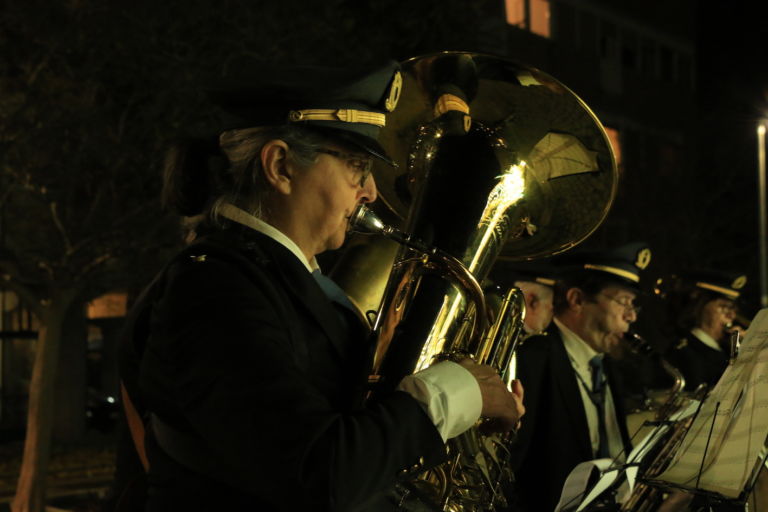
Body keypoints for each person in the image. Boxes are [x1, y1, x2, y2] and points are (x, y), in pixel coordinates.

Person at [117, 61, 524, 512]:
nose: (370, 191)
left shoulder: (279, 278)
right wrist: (456, 391)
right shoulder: (213, 288)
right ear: (281, 166)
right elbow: (318, 469)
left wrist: (466, 407)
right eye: (356, 165)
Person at [509, 243, 650, 512]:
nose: (631, 316)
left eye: (633, 305)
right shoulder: (533, 357)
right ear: (577, 299)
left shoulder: (606, 362)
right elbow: (512, 468)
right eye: (623, 302)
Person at [663, 270, 748, 391]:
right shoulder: (685, 353)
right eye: (724, 307)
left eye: (734, 309)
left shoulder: (727, 349)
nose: (731, 316)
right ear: (701, 306)